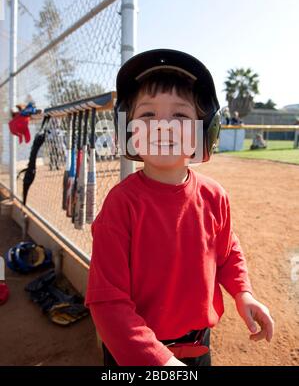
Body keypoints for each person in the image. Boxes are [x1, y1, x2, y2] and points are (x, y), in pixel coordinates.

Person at [85, 49, 274, 367]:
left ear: (205, 131)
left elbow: (227, 252)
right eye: (147, 115)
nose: (163, 126)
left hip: (198, 346)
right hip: (137, 352)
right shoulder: (121, 205)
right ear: (128, 130)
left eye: (181, 116)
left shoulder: (214, 196)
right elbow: (107, 302)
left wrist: (244, 294)